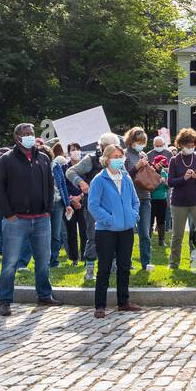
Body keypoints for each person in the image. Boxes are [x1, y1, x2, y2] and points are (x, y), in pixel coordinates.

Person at [0, 123, 62, 316]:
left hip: (41, 219)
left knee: (43, 260)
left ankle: (44, 295)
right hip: (16, 220)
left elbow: (49, 186)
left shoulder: (43, 158)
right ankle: (5, 300)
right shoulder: (6, 160)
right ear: (17, 137)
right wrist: (9, 214)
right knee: (10, 263)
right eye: (25, 133)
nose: (29, 136)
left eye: (31, 133)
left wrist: (48, 210)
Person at [87, 141, 143, 317]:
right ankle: (100, 305)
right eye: (115, 157)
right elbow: (93, 205)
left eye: (120, 156)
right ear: (106, 159)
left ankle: (123, 302)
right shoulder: (99, 180)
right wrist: (109, 220)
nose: (118, 159)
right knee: (104, 268)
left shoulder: (126, 177)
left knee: (124, 266)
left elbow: (135, 200)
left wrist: (133, 216)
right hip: (106, 231)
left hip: (126, 229)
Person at [66, 132, 121, 281]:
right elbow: (71, 171)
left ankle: (114, 267)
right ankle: (90, 270)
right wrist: (81, 182)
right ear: (101, 147)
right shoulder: (90, 159)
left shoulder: (118, 159)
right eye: (108, 147)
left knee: (115, 234)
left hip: (113, 204)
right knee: (93, 236)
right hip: (94, 205)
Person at [167, 128, 196, 270]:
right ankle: (173, 264)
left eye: (192, 145)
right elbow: (170, 182)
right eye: (187, 145)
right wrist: (183, 178)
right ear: (180, 144)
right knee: (177, 235)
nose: (190, 147)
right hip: (178, 203)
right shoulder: (174, 160)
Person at [122, 127, 157, 272]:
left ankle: (146, 263)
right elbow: (123, 177)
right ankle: (126, 262)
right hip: (129, 198)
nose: (141, 145)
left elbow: (146, 175)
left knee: (145, 234)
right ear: (131, 141)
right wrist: (137, 166)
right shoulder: (124, 155)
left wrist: (153, 169)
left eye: (143, 142)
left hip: (145, 197)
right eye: (138, 142)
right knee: (128, 233)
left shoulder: (143, 154)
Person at [62, 142, 88, 263]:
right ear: (68, 153)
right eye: (73, 150)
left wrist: (80, 197)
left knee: (84, 231)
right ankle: (73, 258)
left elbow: (89, 182)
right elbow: (62, 185)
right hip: (69, 204)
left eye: (77, 149)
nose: (75, 152)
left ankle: (84, 256)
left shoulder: (85, 167)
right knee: (71, 232)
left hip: (83, 202)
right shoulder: (64, 167)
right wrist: (71, 199)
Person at [149, 152, 170, 246]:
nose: (162, 167)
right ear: (156, 163)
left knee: (161, 220)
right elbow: (150, 187)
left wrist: (165, 183)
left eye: (163, 165)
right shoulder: (151, 172)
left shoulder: (164, 173)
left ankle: (161, 240)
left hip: (162, 199)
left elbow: (168, 187)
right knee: (150, 221)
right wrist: (158, 182)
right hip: (152, 199)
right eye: (161, 164)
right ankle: (148, 240)